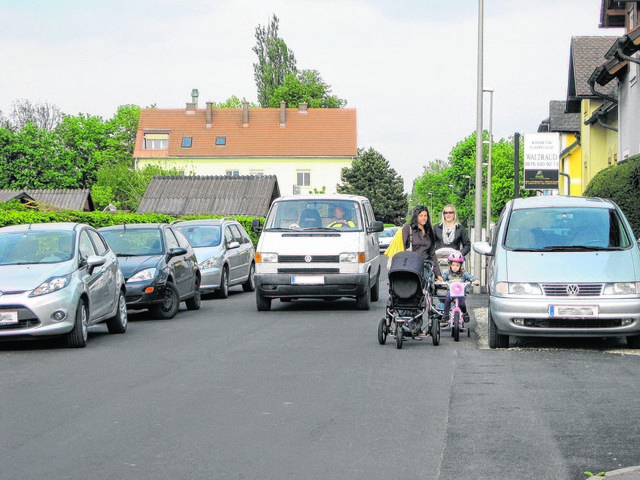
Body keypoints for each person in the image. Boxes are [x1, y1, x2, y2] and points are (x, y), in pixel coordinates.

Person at [394, 205, 444, 282]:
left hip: (425, 266)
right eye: (421, 216)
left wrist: (438, 275)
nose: (424, 218)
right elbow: (402, 249)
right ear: (416, 216)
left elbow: (432, 254)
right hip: (411, 266)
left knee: (427, 286)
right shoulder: (408, 229)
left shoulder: (430, 232)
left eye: (425, 215)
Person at [441, 251, 479, 323]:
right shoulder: (447, 273)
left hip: (460, 293)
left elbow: (469, 277)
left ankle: (465, 313)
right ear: (450, 265)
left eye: (457, 266)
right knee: (447, 299)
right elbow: (443, 278)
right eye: (453, 265)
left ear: (461, 266)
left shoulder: (463, 274)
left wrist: (475, 280)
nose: (455, 267)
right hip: (451, 293)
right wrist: (440, 281)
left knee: (462, 303)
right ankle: (445, 315)